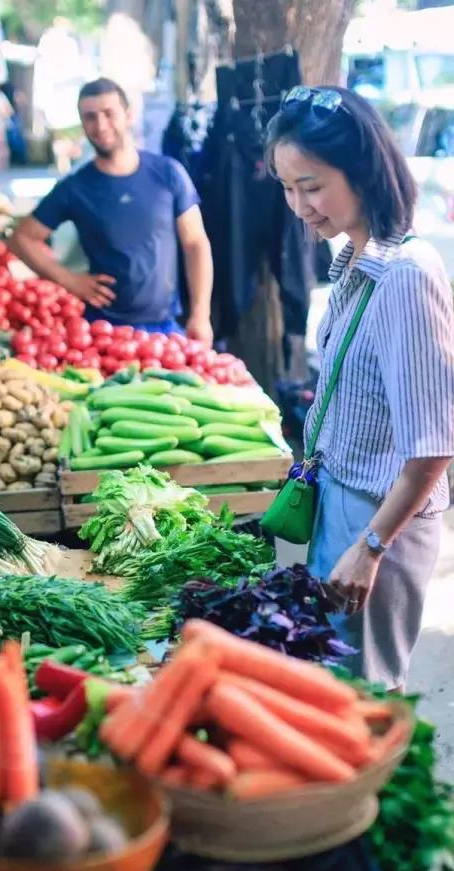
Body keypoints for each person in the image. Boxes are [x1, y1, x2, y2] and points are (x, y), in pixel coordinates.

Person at [266, 86, 454, 691]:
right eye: (288, 188)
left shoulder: (405, 277)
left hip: (382, 519)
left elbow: (432, 445)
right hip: (345, 501)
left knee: (366, 696)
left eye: (312, 186)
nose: (299, 207)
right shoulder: (354, 258)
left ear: (364, 171)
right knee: (338, 685)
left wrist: (370, 547)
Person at [10, 77, 214, 344]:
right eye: (90, 117)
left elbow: (195, 243)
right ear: (82, 124)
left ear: (128, 115)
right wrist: (70, 280)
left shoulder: (168, 173)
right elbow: (21, 238)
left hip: (165, 329)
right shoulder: (75, 187)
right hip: (103, 332)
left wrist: (200, 314)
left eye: (109, 113)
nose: (101, 125)